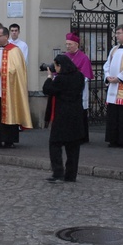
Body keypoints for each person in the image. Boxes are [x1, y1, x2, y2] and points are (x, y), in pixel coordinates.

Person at [43, 54, 85, 183]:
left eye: (56, 66)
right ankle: (71, 175)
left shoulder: (60, 79)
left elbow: (47, 90)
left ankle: (58, 172)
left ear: (60, 66)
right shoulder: (79, 76)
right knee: (73, 147)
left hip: (62, 116)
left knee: (55, 144)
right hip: (76, 115)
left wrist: (50, 77)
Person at [64, 32, 94, 143]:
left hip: (79, 90)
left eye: (70, 44)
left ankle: (82, 137)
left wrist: (73, 83)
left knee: (80, 114)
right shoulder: (65, 57)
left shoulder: (83, 58)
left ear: (76, 44)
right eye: (66, 44)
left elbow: (85, 76)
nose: (68, 46)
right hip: (66, 91)